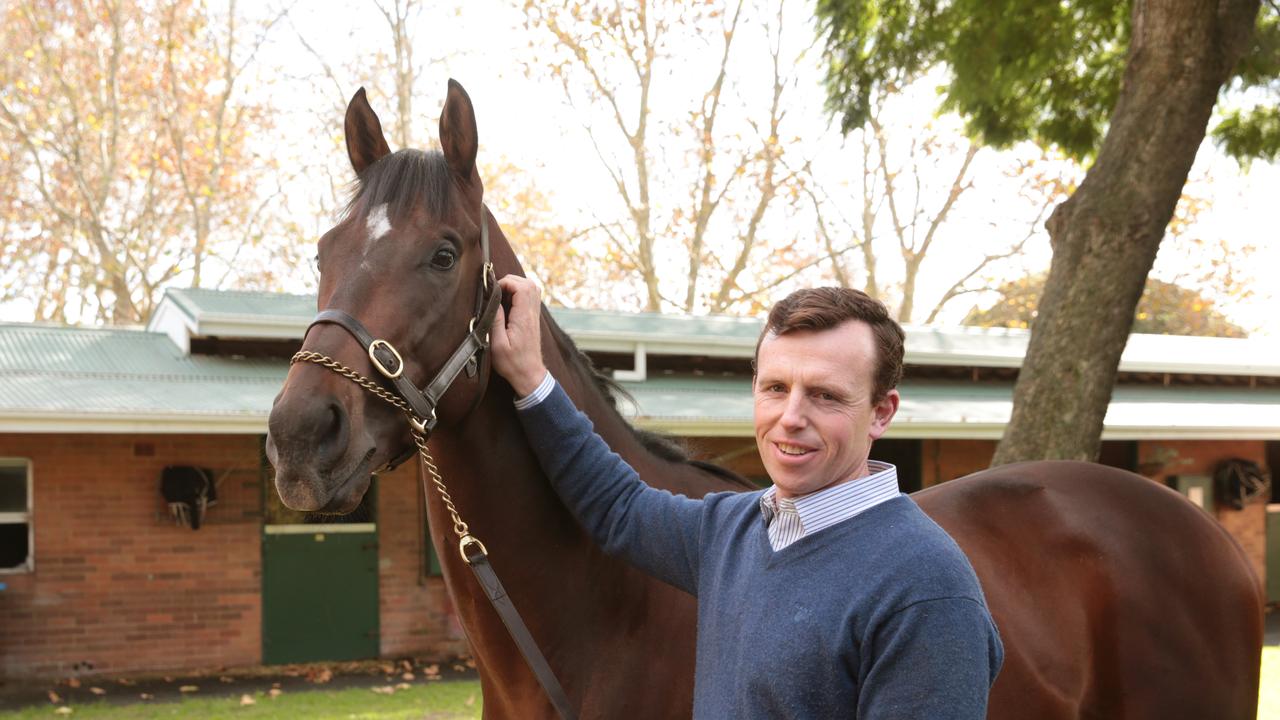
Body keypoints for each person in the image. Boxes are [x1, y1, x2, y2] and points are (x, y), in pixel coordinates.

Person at [491, 276, 1003, 718]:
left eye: (825, 395)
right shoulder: (731, 531)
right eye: (775, 388)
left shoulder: (927, 587)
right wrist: (532, 379)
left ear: (881, 412)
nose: (791, 417)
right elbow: (619, 507)